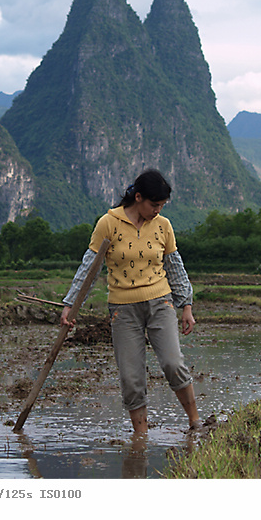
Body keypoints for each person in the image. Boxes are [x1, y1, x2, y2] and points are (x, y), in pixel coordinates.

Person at [61, 169, 201, 434]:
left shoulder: (163, 226)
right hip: (123, 310)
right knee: (131, 378)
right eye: (154, 204)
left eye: (162, 205)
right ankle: (141, 436)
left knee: (173, 363)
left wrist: (187, 306)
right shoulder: (108, 223)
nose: (157, 210)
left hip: (160, 303)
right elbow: (89, 269)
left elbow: (175, 267)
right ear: (138, 197)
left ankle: (195, 422)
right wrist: (70, 304)